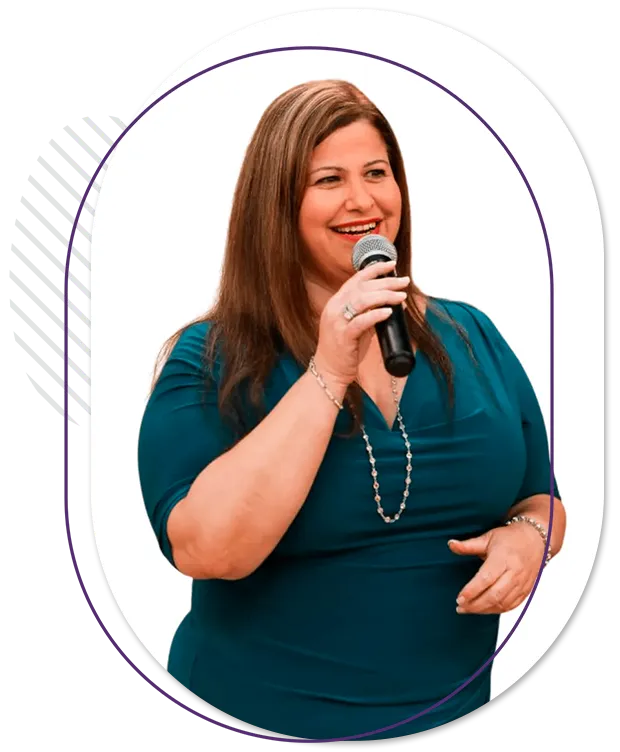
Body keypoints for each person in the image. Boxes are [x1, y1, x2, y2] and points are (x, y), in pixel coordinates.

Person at [138, 79, 566, 741]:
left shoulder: (472, 335)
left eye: (376, 173)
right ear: (277, 206)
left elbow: (542, 499)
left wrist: (528, 537)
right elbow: (205, 548)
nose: (362, 200)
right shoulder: (211, 356)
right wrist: (329, 369)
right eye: (328, 180)